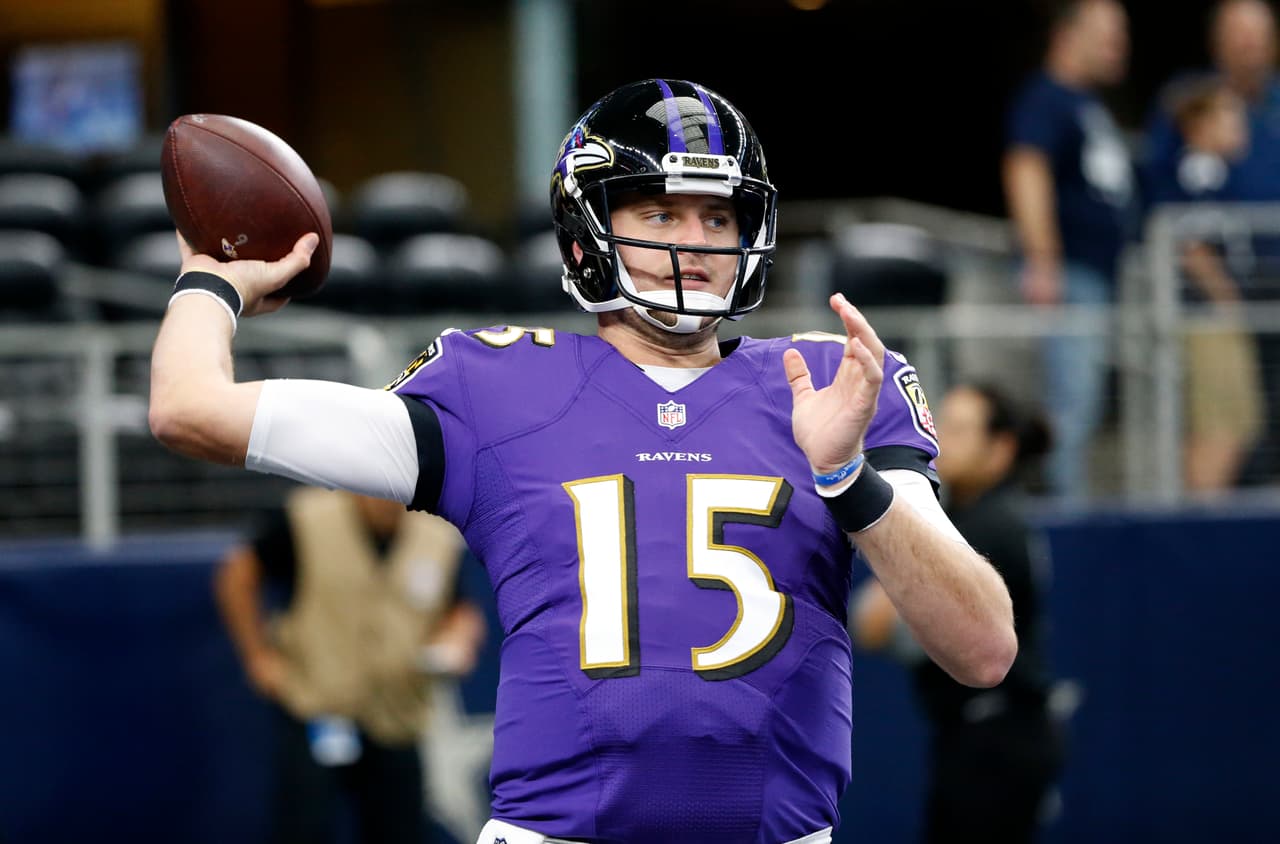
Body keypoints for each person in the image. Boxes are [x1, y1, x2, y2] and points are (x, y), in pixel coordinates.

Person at [150, 78, 1017, 844]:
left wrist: (846, 478)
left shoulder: (830, 381)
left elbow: (983, 648)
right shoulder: (496, 386)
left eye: (719, 215)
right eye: (660, 212)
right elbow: (191, 410)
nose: (700, 242)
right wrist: (212, 281)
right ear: (583, 238)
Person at [851, 382, 1064, 844]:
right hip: (979, 734)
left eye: (962, 429)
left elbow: (877, 624)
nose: (943, 441)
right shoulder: (968, 518)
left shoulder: (989, 526)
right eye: (941, 423)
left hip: (997, 739)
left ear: (1000, 448)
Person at [214, 488, 485, 844]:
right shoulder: (308, 518)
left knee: (399, 830)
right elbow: (237, 575)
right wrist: (257, 656)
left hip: (397, 713)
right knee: (306, 828)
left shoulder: (434, 533)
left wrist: (457, 639)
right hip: (318, 705)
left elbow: (459, 609)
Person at [1002, 0, 1135, 501]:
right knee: (1071, 403)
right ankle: (1060, 515)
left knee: (1081, 401)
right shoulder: (1047, 98)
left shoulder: (1089, 104)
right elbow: (1026, 169)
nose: (1118, 46)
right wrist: (1043, 258)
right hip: (1069, 274)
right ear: (1067, 34)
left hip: (1092, 275)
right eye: (1107, 33)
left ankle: (1063, 501)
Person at [1144, 0, 1280, 487]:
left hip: (1227, 313)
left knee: (1240, 421)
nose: (1238, 125)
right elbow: (1192, 244)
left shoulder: (1216, 169)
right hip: (1210, 315)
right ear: (1200, 126)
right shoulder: (1198, 167)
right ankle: (1199, 521)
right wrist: (1229, 304)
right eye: (1227, 117)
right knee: (1220, 424)